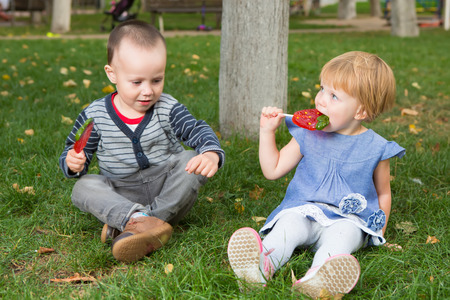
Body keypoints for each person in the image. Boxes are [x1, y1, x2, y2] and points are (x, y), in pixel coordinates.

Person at [227, 51, 405, 298]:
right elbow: (273, 170)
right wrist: (266, 132)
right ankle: (259, 265)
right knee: (288, 227)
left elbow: (383, 194)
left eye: (333, 96)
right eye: (322, 89)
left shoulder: (377, 148)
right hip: (304, 209)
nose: (320, 100)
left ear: (361, 111)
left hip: (348, 218)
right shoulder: (308, 134)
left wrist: (379, 233)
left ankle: (319, 279)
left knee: (341, 237)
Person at [59, 20, 225, 263]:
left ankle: (134, 225)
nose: (148, 91)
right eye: (137, 82)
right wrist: (73, 162)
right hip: (120, 191)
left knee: (191, 159)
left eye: (156, 80)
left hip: (167, 191)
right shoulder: (95, 115)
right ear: (112, 74)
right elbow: (73, 153)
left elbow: (196, 129)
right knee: (83, 186)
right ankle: (140, 221)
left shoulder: (168, 108)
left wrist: (211, 153)